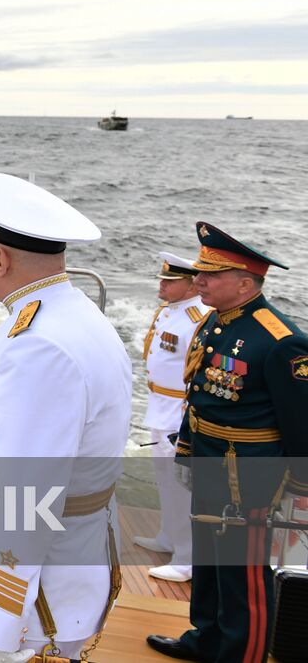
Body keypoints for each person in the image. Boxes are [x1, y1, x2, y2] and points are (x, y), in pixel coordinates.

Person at [0, 173, 132, 663]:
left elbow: (28, 497)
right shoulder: (62, 314)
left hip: (31, 592)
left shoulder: (42, 345)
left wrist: (4, 616)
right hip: (48, 566)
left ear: (0, 258)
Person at [147, 223, 308, 663]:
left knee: (243, 572)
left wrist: (301, 483)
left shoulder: (281, 341)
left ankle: (241, 654)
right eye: (199, 274)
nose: (198, 281)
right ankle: (207, 638)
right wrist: (186, 451)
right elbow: (198, 396)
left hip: (250, 474)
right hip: (209, 459)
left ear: (244, 283)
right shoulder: (216, 323)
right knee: (211, 564)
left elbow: (300, 420)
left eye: (209, 275)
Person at [136, 251, 205, 583]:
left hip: (178, 410)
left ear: (191, 285)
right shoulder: (168, 312)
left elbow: (197, 372)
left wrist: (186, 416)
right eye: (162, 279)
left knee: (183, 486)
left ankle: (186, 558)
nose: (161, 285)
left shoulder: (196, 317)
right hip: (159, 406)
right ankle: (168, 536)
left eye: (170, 280)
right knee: (166, 479)